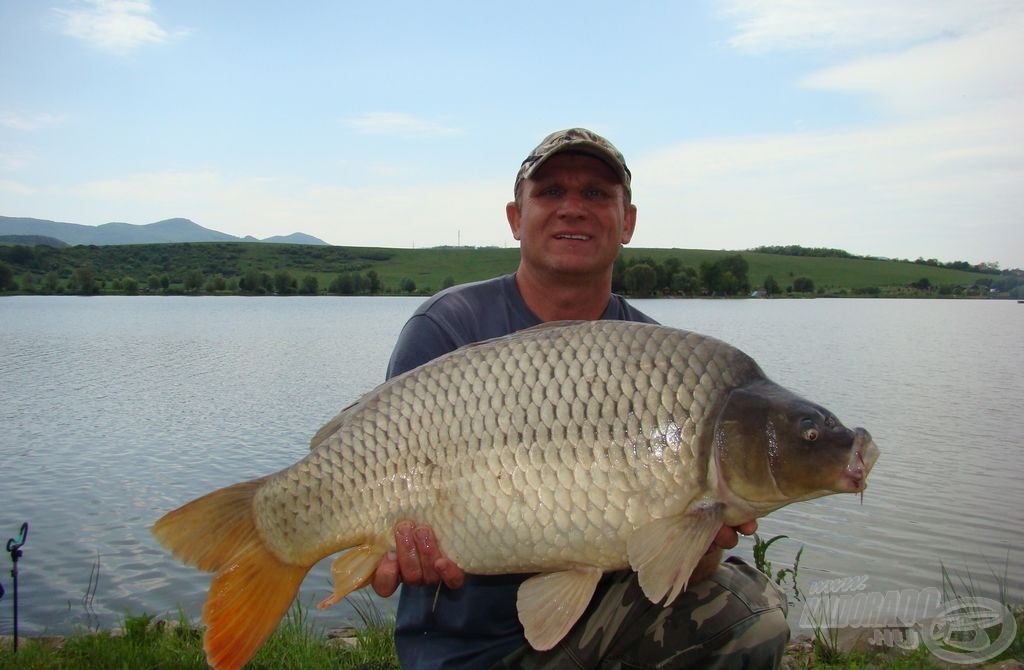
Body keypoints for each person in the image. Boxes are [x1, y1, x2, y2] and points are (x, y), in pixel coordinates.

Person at [372, 128, 790, 669]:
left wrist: (700, 544)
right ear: (515, 217)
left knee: (746, 610)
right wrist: (393, 545)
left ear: (628, 222)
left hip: (594, 629)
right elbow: (385, 475)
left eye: (596, 194)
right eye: (550, 193)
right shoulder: (449, 326)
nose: (573, 208)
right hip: (466, 653)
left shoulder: (662, 363)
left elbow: (668, 566)